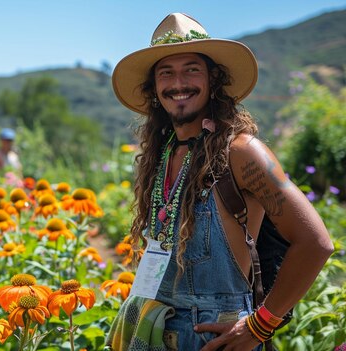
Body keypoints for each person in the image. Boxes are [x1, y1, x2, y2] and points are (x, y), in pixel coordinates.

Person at [105, 13, 333, 350]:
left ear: (214, 80)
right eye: (166, 73)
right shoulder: (162, 153)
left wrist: (260, 326)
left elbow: (316, 243)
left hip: (217, 339)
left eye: (191, 70)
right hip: (156, 332)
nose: (178, 83)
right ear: (154, 88)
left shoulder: (241, 152)